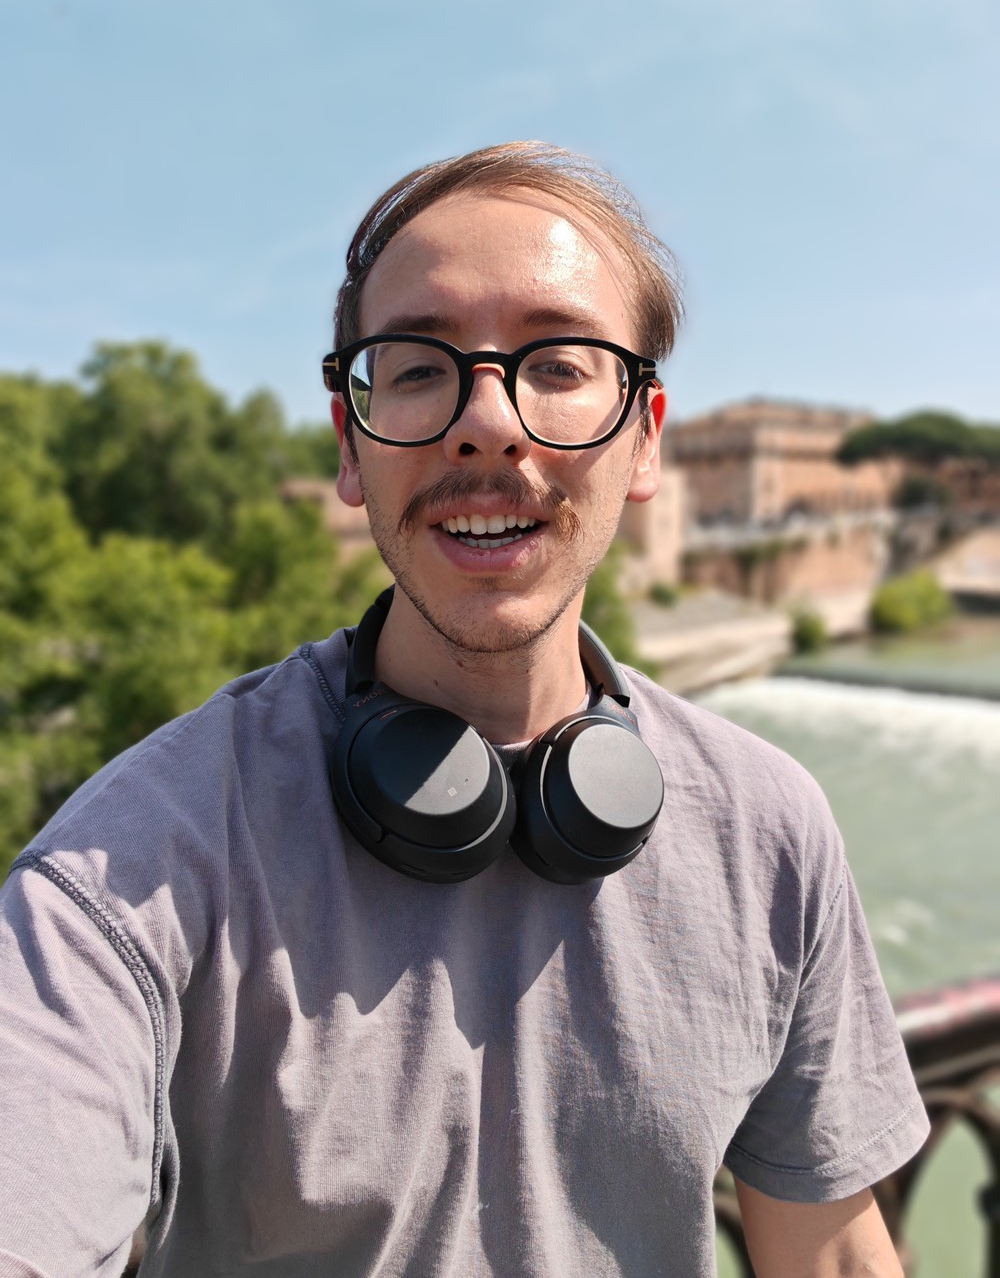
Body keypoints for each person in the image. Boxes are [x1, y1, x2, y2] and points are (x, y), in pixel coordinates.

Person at [0, 142, 927, 1277]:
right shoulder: (132, 863)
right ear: (350, 445)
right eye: (418, 368)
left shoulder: (769, 828)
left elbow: (832, 1256)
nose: (488, 421)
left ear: (644, 437)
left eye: (559, 362)